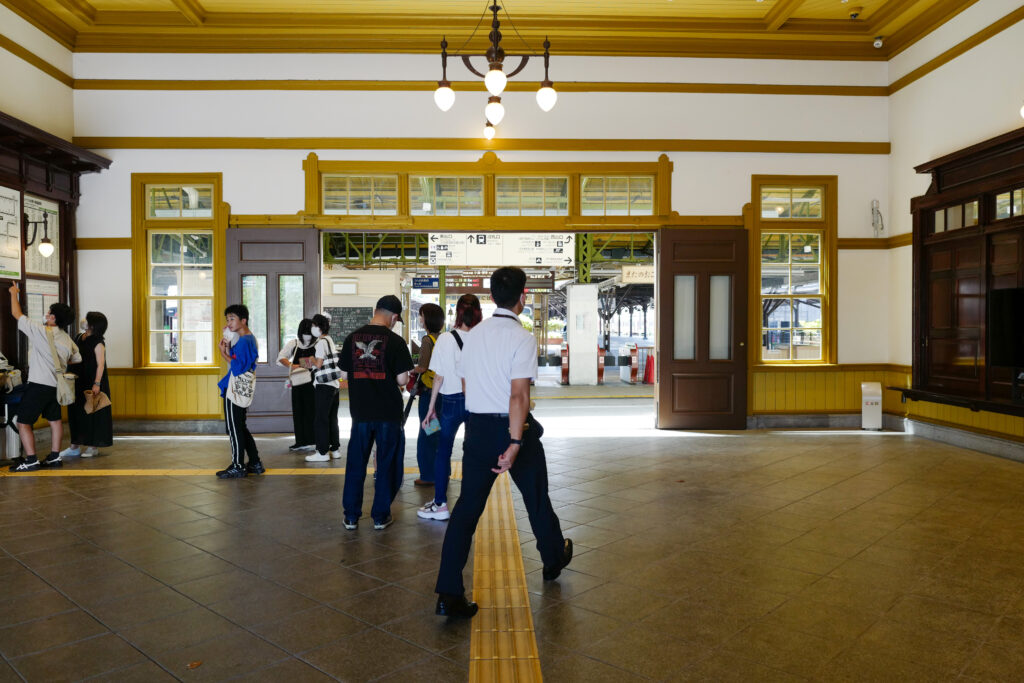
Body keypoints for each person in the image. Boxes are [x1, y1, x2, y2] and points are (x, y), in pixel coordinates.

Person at [434, 267, 573, 619]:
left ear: (492, 296)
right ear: (522, 297)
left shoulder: (472, 336)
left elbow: (466, 387)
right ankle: (553, 559)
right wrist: (513, 442)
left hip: (477, 430)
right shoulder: (522, 338)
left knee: (466, 511)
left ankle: (448, 593)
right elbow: (518, 396)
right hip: (514, 431)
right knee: (536, 497)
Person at [339, 295, 413, 530]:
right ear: (393, 317)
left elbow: (343, 375)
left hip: (360, 411)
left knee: (356, 463)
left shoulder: (352, 338)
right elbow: (402, 379)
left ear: (375, 310)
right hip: (388, 413)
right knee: (386, 463)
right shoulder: (396, 341)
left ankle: (351, 516)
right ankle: (380, 516)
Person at [418, 294, 482, 521]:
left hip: (451, 402)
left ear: (458, 313)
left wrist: (431, 408)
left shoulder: (445, 339)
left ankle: (440, 504)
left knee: (443, 451)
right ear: (478, 312)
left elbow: (438, 377)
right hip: (477, 402)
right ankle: (470, 505)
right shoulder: (483, 337)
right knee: (473, 453)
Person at [7, 283, 82, 472]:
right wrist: (57, 363)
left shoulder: (42, 332)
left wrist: (14, 293)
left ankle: (31, 460)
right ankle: (54, 457)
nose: (46, 316)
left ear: (53, 318)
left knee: (23, 422)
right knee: (55, 420)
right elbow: (77, 358)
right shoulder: (67, 339)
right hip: (57, 386)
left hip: (39, 385)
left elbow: (17, 315)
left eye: (48, 313)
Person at [216, 304, 262, 479]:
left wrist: (222, 352)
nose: (229, 323)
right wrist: (228, 349)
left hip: (234, 389)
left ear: (243, 320)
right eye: (227, 319)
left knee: (233, 429)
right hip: (241, 389)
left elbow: (236, 367)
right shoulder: (248, 339)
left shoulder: (244, 340)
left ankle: (238, 465)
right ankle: (255, 462)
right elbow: (239, 361)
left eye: (232, 319)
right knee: (240, 427)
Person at [61, 312, 113, 459]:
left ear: (93, 325)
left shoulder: (98, 342)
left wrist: (97, 383)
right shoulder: (78, 337)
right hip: (77, 380)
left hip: (92, 382)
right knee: (76, 412)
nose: (83, 321)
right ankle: (74, 446)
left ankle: (93, 446)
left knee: (92, 413)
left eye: (87, 319)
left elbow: (100, 365)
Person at [413, 303, 444, 487]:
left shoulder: (427, 340)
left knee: (427, 434)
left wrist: (409, 369)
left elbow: (422, 367)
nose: (420, 319)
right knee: (438, 434)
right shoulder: (444, 338)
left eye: (421, 315)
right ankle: (441, 471)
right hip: (442, 393)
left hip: (429, 394)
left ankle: (428, 475)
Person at [306, 313, 342, 463]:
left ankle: (322, 452)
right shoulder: (329, 340)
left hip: (324, 385)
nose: (312, 328)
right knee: (332, 418)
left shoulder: (321, 342)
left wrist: (311, 359)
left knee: (320, 419)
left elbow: (319, 364)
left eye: (314, 325)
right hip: (334, 384)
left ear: (319, 327)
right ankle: (335, 449)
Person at [278, 318, 316, 453]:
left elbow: (318, 362)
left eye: (309, 332)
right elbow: (280, 357)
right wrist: (290, 365)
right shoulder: (293, 343)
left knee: (312, 411)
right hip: (298, 382)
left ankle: (313, 440)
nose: (307, 335)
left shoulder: (318, 343)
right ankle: (300, 441)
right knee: (298, 411)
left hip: (313, 383)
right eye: (305, 332)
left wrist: (298, 364)